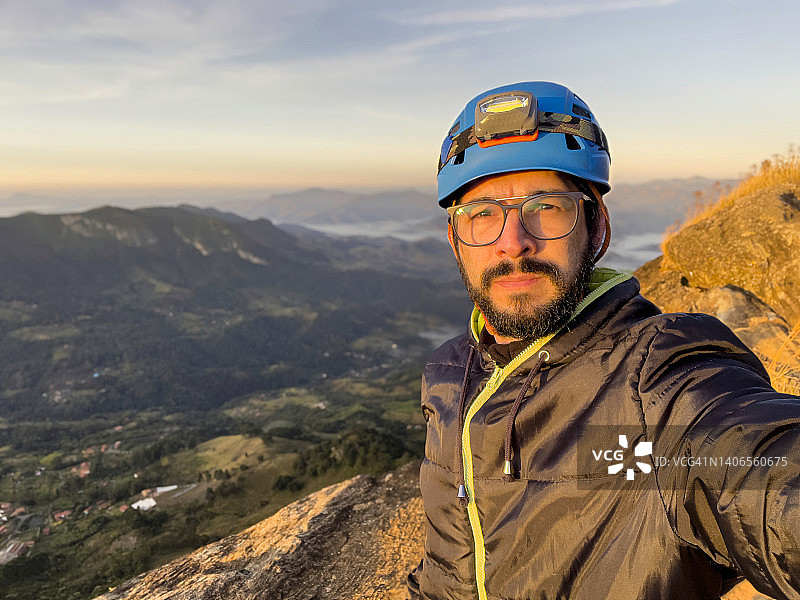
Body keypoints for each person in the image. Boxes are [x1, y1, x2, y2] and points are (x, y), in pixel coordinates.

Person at [407, 81, 800, 600]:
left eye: (546, 207)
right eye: (482, 214)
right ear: (455, 239)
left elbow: (754, 467)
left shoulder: (656, 375)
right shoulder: (448, 374)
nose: (512, 242)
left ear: (596, 227)